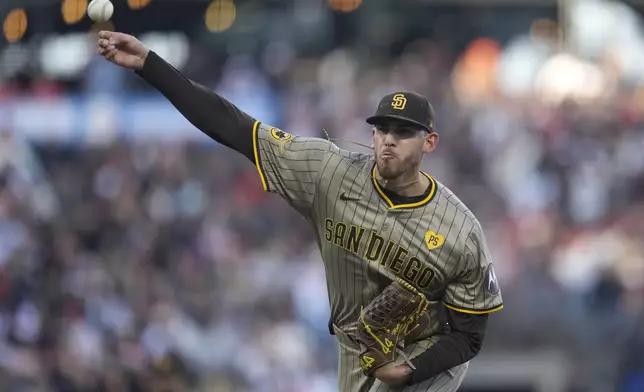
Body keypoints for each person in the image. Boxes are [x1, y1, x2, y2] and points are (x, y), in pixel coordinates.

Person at [96, 31, 503, 392]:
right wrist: (151, 66)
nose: (388, 141)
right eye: (381, 130)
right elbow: (233, 126)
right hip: (355, 352)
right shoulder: (329, 173)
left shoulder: (460, 229)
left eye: (403, 132)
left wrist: (408, 370)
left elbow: (469, 336)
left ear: (429, 142)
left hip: (426, 358)